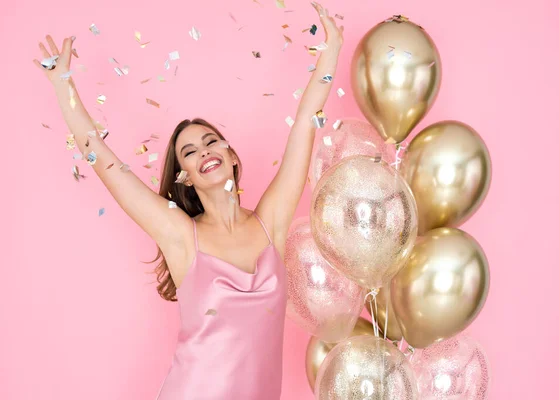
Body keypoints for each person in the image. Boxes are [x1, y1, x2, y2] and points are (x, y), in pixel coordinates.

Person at [34, 2, 343, 399]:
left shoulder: (271, 223)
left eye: (211, 141)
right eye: (190, 152)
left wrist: (331, 50)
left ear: (231, 156)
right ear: (185, 177)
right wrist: (64, 86)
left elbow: (305, 123)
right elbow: (105, 163)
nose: (204, 151)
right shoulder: (180, 234)